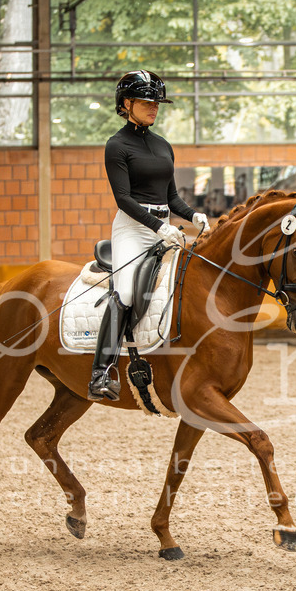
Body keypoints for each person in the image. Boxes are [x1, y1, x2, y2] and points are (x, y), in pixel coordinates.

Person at [88, 70, 211, 401]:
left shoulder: (163, 146)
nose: (154, 107)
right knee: (125, 292)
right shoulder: (117, 146)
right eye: (146, 101)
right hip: (132, 229)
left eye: (157, 102)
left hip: (165, 229)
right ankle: (101, 372)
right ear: (127, 104)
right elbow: (123, 199)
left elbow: (171, 198)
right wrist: (159, 226)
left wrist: (192, 214)